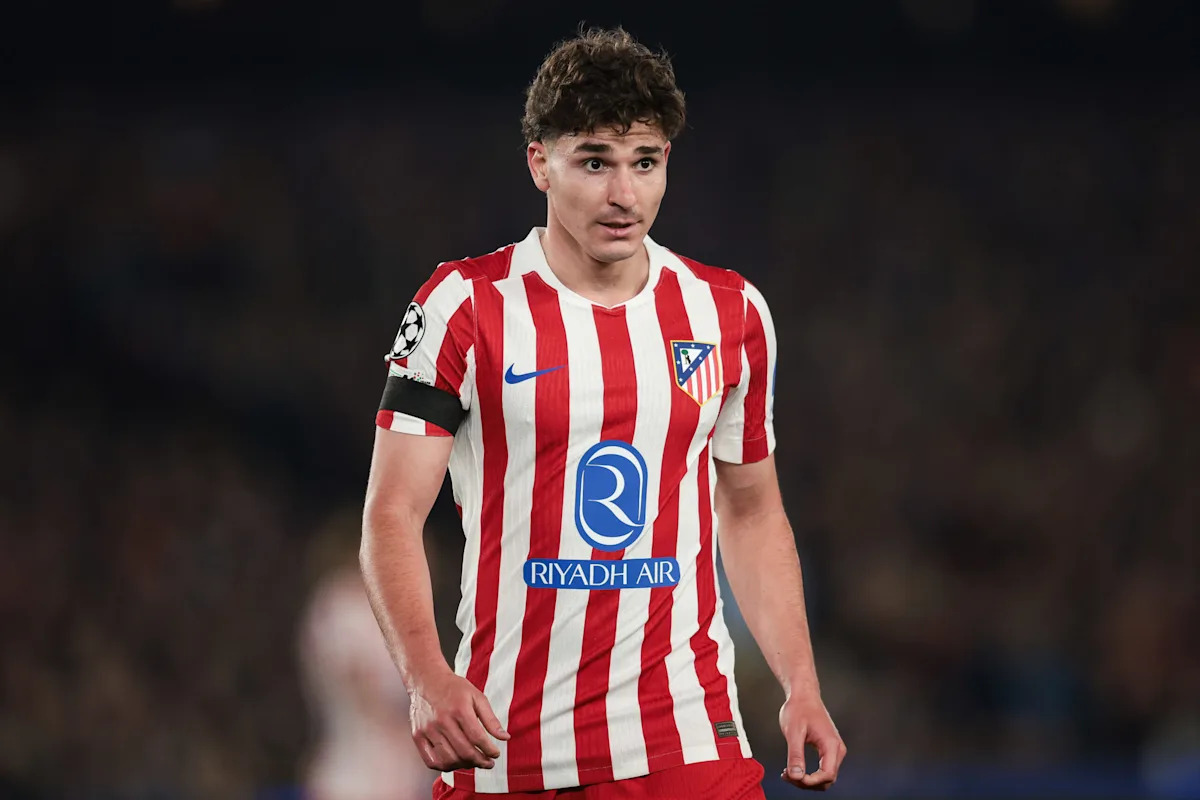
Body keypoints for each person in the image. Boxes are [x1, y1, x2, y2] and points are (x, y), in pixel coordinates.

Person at [360, 27, 846, 799]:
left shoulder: (729, 314)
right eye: (594, 162)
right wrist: (426, 676)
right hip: (509, 749)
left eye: (644, 162)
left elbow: (750, 511)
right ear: (539, 163)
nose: (624, 194)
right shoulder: (461, 307)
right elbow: (391, 513)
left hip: (688, 741)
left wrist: (801, 684)